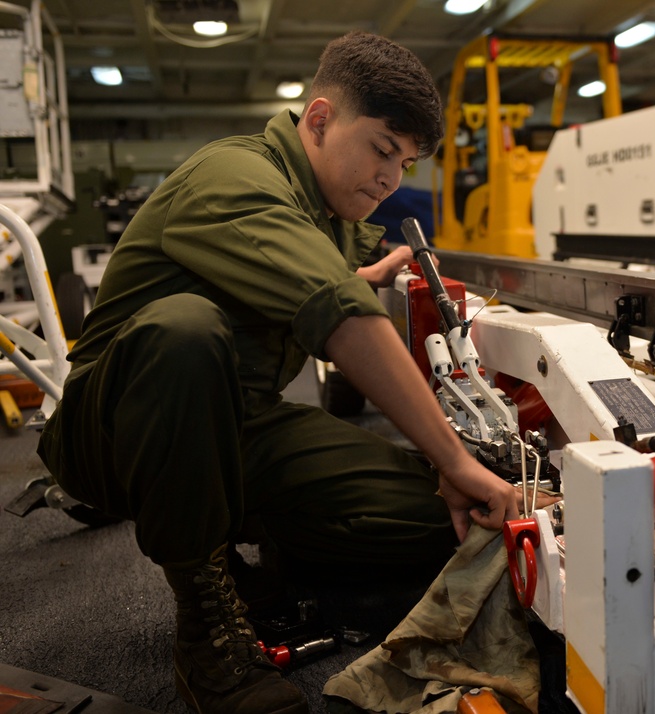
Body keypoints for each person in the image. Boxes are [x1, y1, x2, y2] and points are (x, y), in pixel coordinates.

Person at [36, 31, 518, 714]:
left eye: (405, 163)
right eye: (383, 149)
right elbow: (333, 309)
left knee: (431, 519)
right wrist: (455, 459)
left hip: (236, 426)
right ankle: (207, 627)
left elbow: (312, 283)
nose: (391, 179)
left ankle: (267, 549)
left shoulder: (320, 213)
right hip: (113, 435)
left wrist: (361, 274)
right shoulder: (235, 175)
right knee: (184, 331)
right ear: (319, 119)